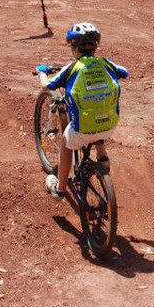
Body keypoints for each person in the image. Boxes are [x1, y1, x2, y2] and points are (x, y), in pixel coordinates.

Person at [36, 22, 129, 199]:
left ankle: (60, 188)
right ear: (95, 47)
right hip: (111, 126)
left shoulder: (72, 68)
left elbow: (46, 86)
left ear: (74, 48)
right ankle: (102, 158)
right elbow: (125, 72)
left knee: (67, 143)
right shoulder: (106, 63)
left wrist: (41, 71)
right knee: (98, 117)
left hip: (82, 130)